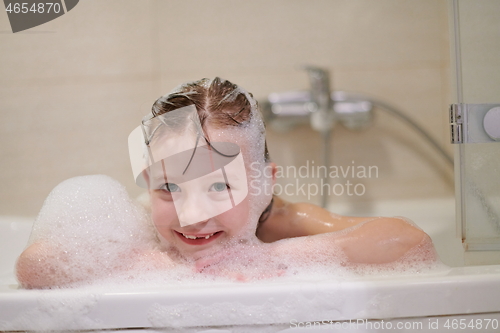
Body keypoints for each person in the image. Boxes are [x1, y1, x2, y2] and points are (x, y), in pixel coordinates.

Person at [16, 78, 437, 289]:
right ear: (148, 182)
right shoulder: (137, 224)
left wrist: (280, 257)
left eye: (219, 187)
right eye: (170, 188)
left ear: (263, 183)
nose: (193, 214)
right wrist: (163, 265)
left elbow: (412, 242)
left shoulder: (282, 221)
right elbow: (34, 265)